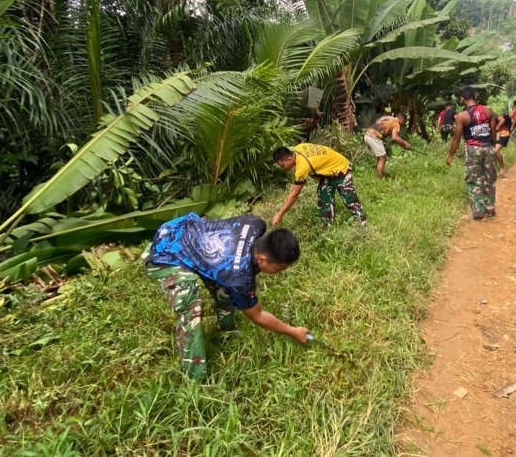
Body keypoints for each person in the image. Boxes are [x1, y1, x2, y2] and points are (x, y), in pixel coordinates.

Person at [142, 214, 308, 379]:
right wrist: (293, 331)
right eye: (278, 269)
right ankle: (195, 378)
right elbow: (257, 315)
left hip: (188, 231)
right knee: (191, 306)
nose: (278, 274)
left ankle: (227, 331)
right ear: (262, 259)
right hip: (165, 251)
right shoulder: (238, 277)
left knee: (223, 280)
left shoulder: (256, 223)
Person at [272, 144, 366, 226]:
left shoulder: (302, 167)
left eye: (282, 166)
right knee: (324, 196)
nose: (282, 168)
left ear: (289, 159)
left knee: (349, 197)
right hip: (327, 171)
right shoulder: (298, 148)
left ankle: (361, 221)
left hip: (340, 167)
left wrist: (279, 215)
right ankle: (326, 223)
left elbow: (294, 195)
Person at [446, 87, 498, 220]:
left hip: (473, 149)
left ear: (462, 99)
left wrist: (451, 155)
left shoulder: (462, 116)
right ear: (475, 96)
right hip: (489, 148)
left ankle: (479, 214)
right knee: (489, 179)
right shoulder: (488, 110)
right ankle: (490, 211)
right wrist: (493, 148)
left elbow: (456, 138)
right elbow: (493, 132)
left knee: (475, 181)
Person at [364, 113, 411, 178]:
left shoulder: (388, 118)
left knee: (380, 157)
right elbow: (395, 137)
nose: (403, 124)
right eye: (404, 122)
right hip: (374, 136)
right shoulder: (396, 124)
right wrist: (405, 144)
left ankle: (380, 173)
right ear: (402, 120)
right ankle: (379, 178)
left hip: (367, 134)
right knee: (382, 158)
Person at [495, 109, 512, 176]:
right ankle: (494, 169)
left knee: (496, 151)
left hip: (503, 134)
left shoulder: (492, 114)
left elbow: (502, 120)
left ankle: (502, 168)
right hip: (496, 135)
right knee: (493, 152)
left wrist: (497, 129)